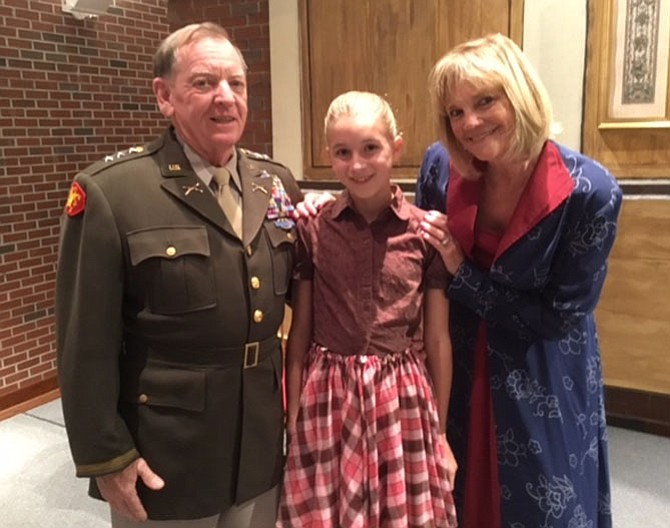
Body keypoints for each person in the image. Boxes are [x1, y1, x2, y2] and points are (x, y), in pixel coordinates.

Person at [55, 22, 304, 528]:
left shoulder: (275, 184)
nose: (225, 98)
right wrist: (107, 457)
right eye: (204, 82)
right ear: (164, 96)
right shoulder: (114, 193)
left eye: (237, 83)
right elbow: (84, 343)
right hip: (167, 452)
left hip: (258, 440)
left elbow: (313, 288)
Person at [415, 33, 622, 528]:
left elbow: (555, 320)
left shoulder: (590, 193)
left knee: (545, 505)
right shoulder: (440, 166)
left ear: (520, 95)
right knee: (451, 498)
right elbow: (416, 252)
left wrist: (463, 274)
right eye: (455, 112)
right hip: (455, 362)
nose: (469, 123)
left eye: (485, 101)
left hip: (542, 373)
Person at [277, 91, 458, 528]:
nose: (357, 165)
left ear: (395, 147)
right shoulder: (313, 228)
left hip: (403, 399)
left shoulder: (424, 233)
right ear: (328, 157)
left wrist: (440, 433)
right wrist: (295, 415)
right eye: (343, 153)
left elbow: (437, 338)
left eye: (370, 149)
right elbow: (299, 331)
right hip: (328, 396)